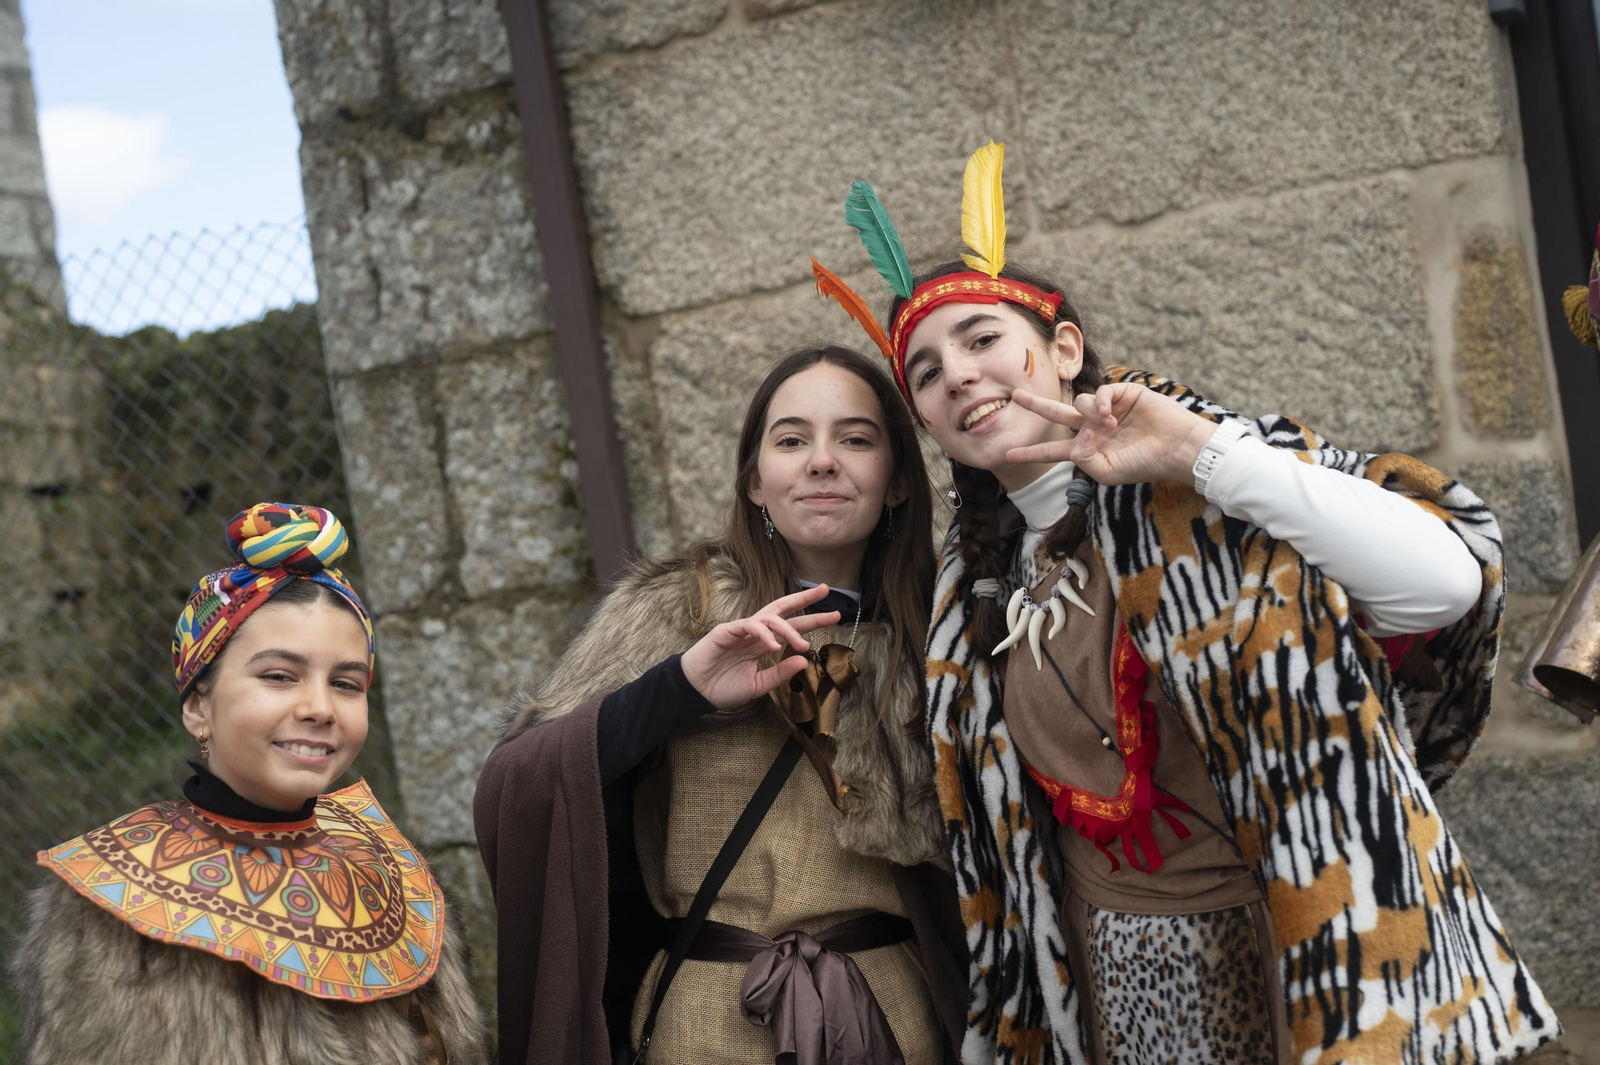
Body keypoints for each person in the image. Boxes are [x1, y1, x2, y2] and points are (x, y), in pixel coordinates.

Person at [810, 142, 1559, 1064]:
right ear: (926, 420)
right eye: (924, 372)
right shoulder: (967, 599)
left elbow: (1446, 585)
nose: (956, 373)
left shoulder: (1214, 478)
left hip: (1307, 960)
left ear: (1064, 350)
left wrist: (1201, 455)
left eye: (980, 339)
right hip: (1117, 996)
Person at [474, 346, 967, 1065]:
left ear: (895, 481)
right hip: (709, 1019)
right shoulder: (679, 609)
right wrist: (677, 688)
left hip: (894, 1014)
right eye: (791, 440)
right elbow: (522, 782)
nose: (822, 462)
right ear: (755, 482)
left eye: (856, 439)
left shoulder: (944, 632)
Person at [14, 503, 487, 1065]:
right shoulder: (110, 910)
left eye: (346, 683)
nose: (319, 707)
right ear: (198, 706)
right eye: (279, 676)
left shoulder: (392, 871)